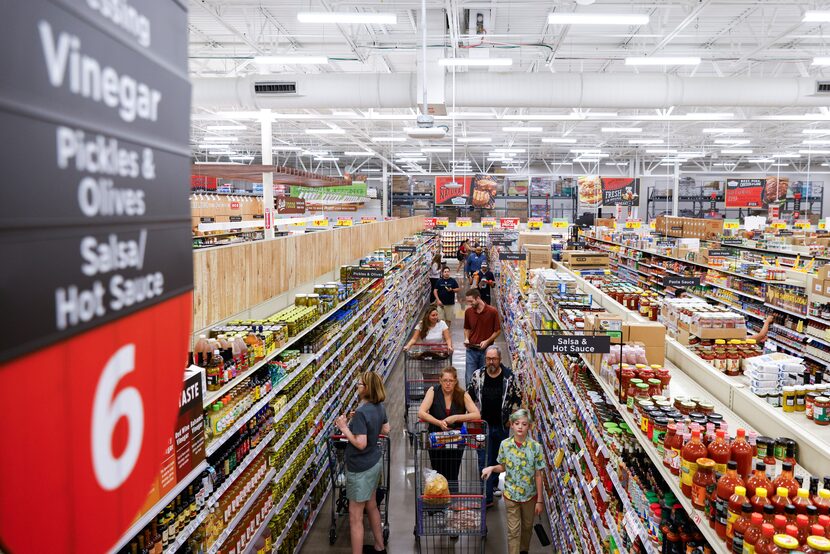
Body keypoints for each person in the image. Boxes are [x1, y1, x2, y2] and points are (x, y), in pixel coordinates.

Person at [335, 371, 390, 554]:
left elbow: (360, 443)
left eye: (359, 384)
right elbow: (386, 429)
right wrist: (361, 422)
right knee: (372, 505)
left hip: (360, 469)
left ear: (366, 389)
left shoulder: (361, 412)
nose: (357, 386)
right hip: (374, 463)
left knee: (355, 517)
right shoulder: (379, 406)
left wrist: (344, 428)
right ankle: (380, 546)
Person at [481, 409, 546, 554]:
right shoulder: (505, 445)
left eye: (524, 424)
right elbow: (503, 466)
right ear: (511, 425)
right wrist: (492, 468)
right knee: (513, 531)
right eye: (517, 423)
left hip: (529, 496)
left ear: (529, 426)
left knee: (527, 527)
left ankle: (524, 550)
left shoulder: (536, 448)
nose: (520, 427)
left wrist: (540, 500)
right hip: (511, 495)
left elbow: (538, 474)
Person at [467, 346, 523, 507]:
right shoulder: (478, 375)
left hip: (501, 426)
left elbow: (517, 398)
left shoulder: (508, 377)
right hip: (482, 426)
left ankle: (492, 485)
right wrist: (471, 416)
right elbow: (468, 396)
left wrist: (510, 419)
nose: (491, 362)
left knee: (498, 458)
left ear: (500, 359)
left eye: (494, 359)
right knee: (483, 459)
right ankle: (487, 497)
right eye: (488, 359)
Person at [417, 367, 480, 492]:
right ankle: (439, 501)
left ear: (455, 381)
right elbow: (421, 412)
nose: (448, 383)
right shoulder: (433, 391)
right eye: (445, 380)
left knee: (452, 473)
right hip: (436, 440)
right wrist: (438, 422)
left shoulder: (462, 394)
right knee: (438, 473)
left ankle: (452, 502)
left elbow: (476, 414)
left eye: (451, 380)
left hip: (456, 441)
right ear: (440, 380)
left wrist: (456, 417)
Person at [463, 289, 501, 386]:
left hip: (486, 351)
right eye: (468, 302)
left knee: (485, 377)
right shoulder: (468, 312)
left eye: (471, 301)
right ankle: (470, 399)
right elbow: (467, 328)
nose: (470, 304)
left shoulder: (492, 312)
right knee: (469, 378)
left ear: (478, 298)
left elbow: (497, 331)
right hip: (471, 350)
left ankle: (482, 399)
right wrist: (466, 338)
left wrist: (487, 341)